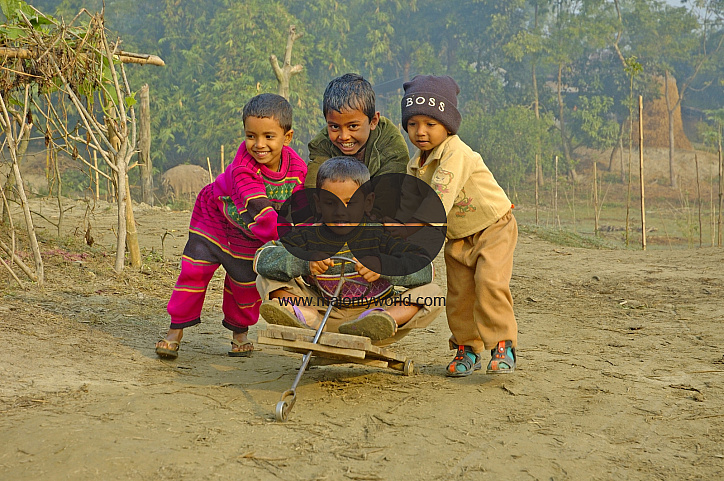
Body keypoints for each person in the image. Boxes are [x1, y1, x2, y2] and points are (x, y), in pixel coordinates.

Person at [155, 93, 307, 359]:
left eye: (268, 137)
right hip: (213, 220)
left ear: (288, 137)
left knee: (246, 282)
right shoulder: (243, 169)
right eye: (251, 136)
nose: (259, 145)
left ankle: (240, 334)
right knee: (194, 271)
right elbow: (262, 212)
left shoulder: (297, 168)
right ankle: (175, 331)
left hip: (248, 235)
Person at [399, 74, 518, 376]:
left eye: (430, 124)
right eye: (413, 124)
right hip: (457, 236)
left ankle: (502, 345)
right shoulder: (416, 163)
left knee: (489, 283)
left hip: (493, 226)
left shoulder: (456, 153)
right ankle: (467, 348)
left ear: (447, 124)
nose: (420, 132)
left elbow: (436, 201)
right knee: (459, 294)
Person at [254, 157, 443, 346]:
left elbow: (426, 267)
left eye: (350, 202)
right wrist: (304, 262)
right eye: (330, 203)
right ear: (318, 203)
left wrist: (385, 266)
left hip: (376, 320)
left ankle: (380, 319)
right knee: (265, 277)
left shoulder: (382, 233)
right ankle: (307, 318)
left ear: (368, 202)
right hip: (324, 315)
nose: (340, 212)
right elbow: (261, 256)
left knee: (433, 293)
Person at [305, 73, 409, 189]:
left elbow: (388, 195)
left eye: (353, 126)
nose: (344, 136)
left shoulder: (391, 145)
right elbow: (313, 188)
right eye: (334, 127)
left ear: (373, 121)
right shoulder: (322, 143)